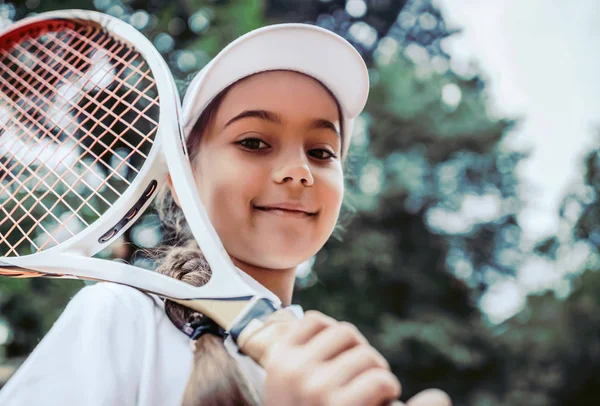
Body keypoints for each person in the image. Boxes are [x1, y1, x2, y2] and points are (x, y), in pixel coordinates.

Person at [0, 23, 452, 406]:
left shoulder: (327, 357)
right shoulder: (122, 316)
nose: (299, 171)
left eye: (320, 151)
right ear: (182, 178)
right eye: (254, 142)